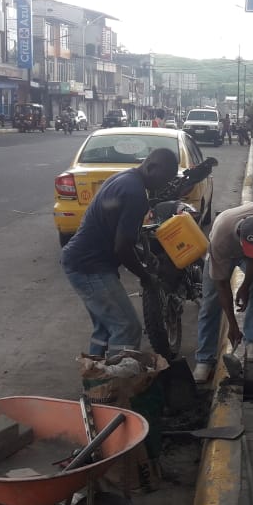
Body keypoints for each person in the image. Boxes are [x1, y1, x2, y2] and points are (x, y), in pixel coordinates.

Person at [61, 148, 180, 356]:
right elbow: (122, 248)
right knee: (127, 328)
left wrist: (144, 255)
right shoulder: (135, 193)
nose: (164, 185)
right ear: (151, 167)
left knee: (105, 328)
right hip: (90, 267)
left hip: (79, 260)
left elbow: (117, 235)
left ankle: (96, 374)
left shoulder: (124, 178)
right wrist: (146, 278)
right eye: (164, 179)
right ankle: (119, 376)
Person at [193, 205, 253, 383]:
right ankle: (205, 359)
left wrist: (245, 286)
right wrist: (233, 325)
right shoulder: (221, 239)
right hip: (222, 250)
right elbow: (222, 285)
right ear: (240, 237)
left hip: (246, 245)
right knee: (210, 304)